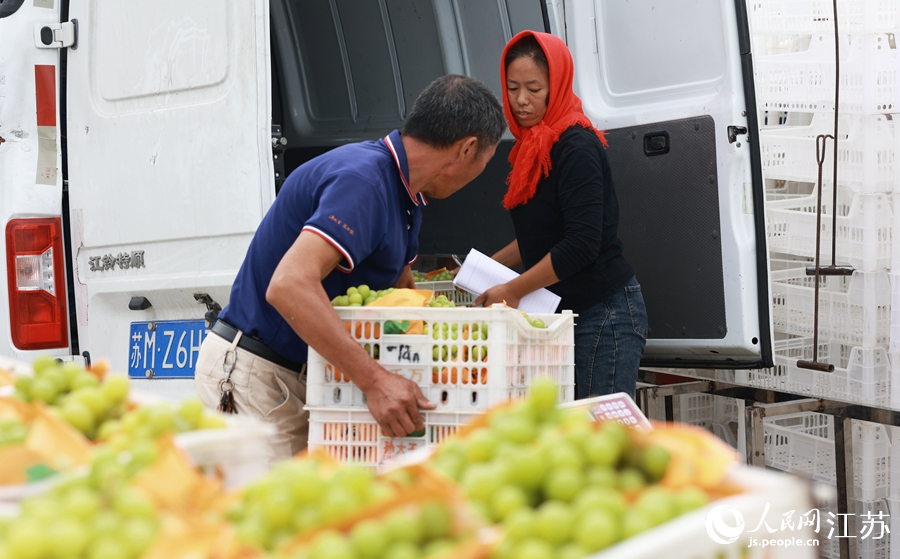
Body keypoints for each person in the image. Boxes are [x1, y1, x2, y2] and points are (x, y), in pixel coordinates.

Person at [194, 74, 506, 460]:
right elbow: (289, 285)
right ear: (466, 149)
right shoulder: (364, 181)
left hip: (308, 378)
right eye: (486, 162)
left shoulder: (407, 196)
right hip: (257, 375)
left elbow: (401, 294)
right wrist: (375, 381)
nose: (481, 175)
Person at [474, 31, 648, 400]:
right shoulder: (533, 145)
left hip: (603, 316)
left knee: (600, 437)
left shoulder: (575, 145)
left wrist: (513, 290)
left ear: (557, 85)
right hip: (564, 315)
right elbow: (543, 234)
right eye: (513, 87)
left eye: (534, 89)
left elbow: (580, 245)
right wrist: (485, 269)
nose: (521, 100)